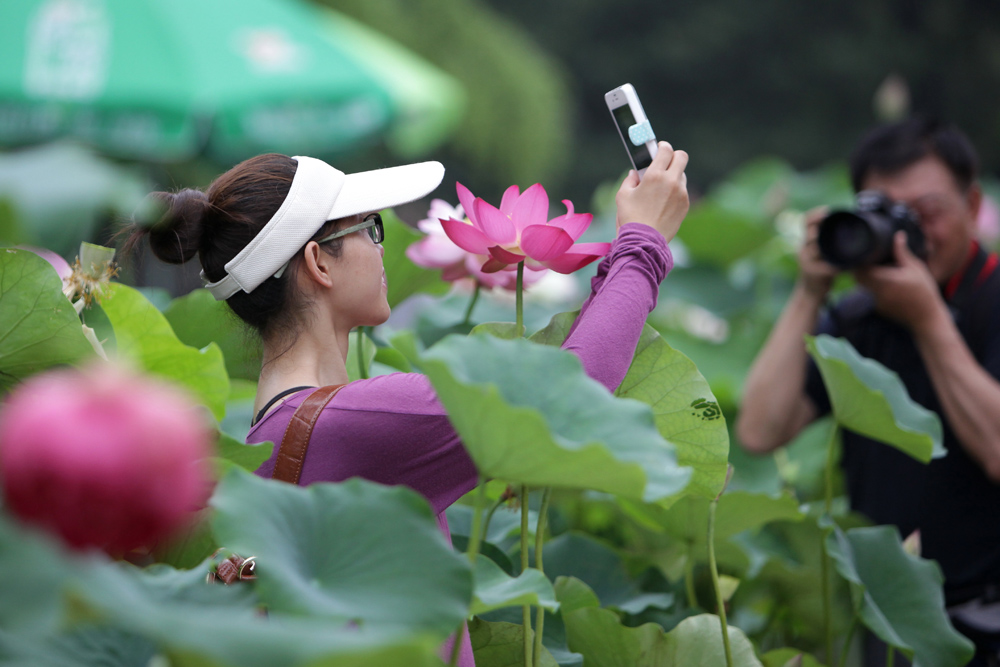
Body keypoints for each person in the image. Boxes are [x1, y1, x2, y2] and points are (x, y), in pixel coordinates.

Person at [126, 143, 690, 666]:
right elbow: (573, 393)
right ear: (319, 263)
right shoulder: (366, 422)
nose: (382, 244)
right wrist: (644, 242)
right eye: (370, 229)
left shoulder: (258, 442)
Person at [736, 117, 1000, 665]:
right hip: (885, 615)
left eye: (924, 214)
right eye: (882, 214)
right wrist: (810, 293)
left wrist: (929, 321)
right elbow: (760, 429)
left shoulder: (993, 298)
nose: (904, 236)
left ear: (973, 206)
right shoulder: (859, 316)